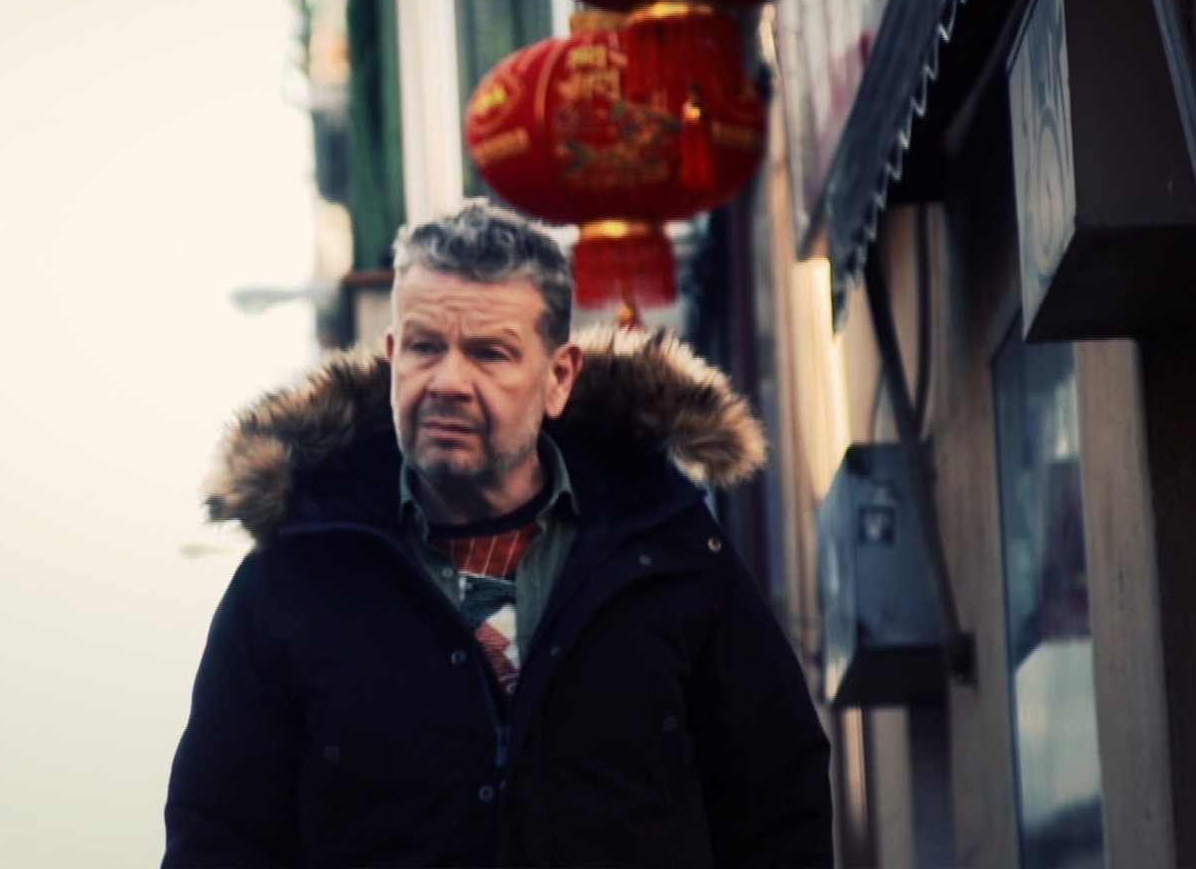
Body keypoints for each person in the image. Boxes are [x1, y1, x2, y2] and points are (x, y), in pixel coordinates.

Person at [164, 201, 831, 867]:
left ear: (558, 378)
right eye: (425, 347)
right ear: (393, 356)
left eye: (489, 354)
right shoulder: (293, 580)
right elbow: (218, 838)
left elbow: (779, 802)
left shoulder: (669, 551)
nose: (449, 382)